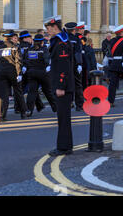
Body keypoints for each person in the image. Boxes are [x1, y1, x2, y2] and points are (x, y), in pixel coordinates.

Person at [46, 15, 75, 157]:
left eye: (49, 28)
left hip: (63, 87)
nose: (47, 31)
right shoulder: (59, 42)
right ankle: (65, 145)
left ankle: (63, 147)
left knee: (63, 118)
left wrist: (61, 86)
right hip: (61, 86)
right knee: (63, 118)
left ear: (55, 27)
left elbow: (64, 68)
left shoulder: (61, 43)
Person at [23, 33, 57, 117]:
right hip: (42, 73)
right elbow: (47, 60)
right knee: (48, 91)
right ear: (42, 42)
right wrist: (48, 67)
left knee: (32, 92)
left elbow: (25, 60)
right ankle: (55, 107)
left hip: (31, 73)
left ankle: (29, 110)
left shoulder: (29, 50)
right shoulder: (44, 49)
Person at [0, 30, 28, 121]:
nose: (16, 39)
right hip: (13, 72)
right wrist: (19, 74)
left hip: (2, 72)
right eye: (15, 37)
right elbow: (17, 61)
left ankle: (1, 116)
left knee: (3, 94)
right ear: (11, 37)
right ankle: (23, 113)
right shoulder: (15, 47)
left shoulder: (0, 47)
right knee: (18, 92)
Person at [65, 22, 84, 111]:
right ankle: (79, 105)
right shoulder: (76, 39)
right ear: (74, 29)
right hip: (74, 64)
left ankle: (69, 103)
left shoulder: (64, 38)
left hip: (65, 64)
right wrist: (79, 64)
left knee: (67, 84)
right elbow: (78, 52)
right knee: (77, 84)